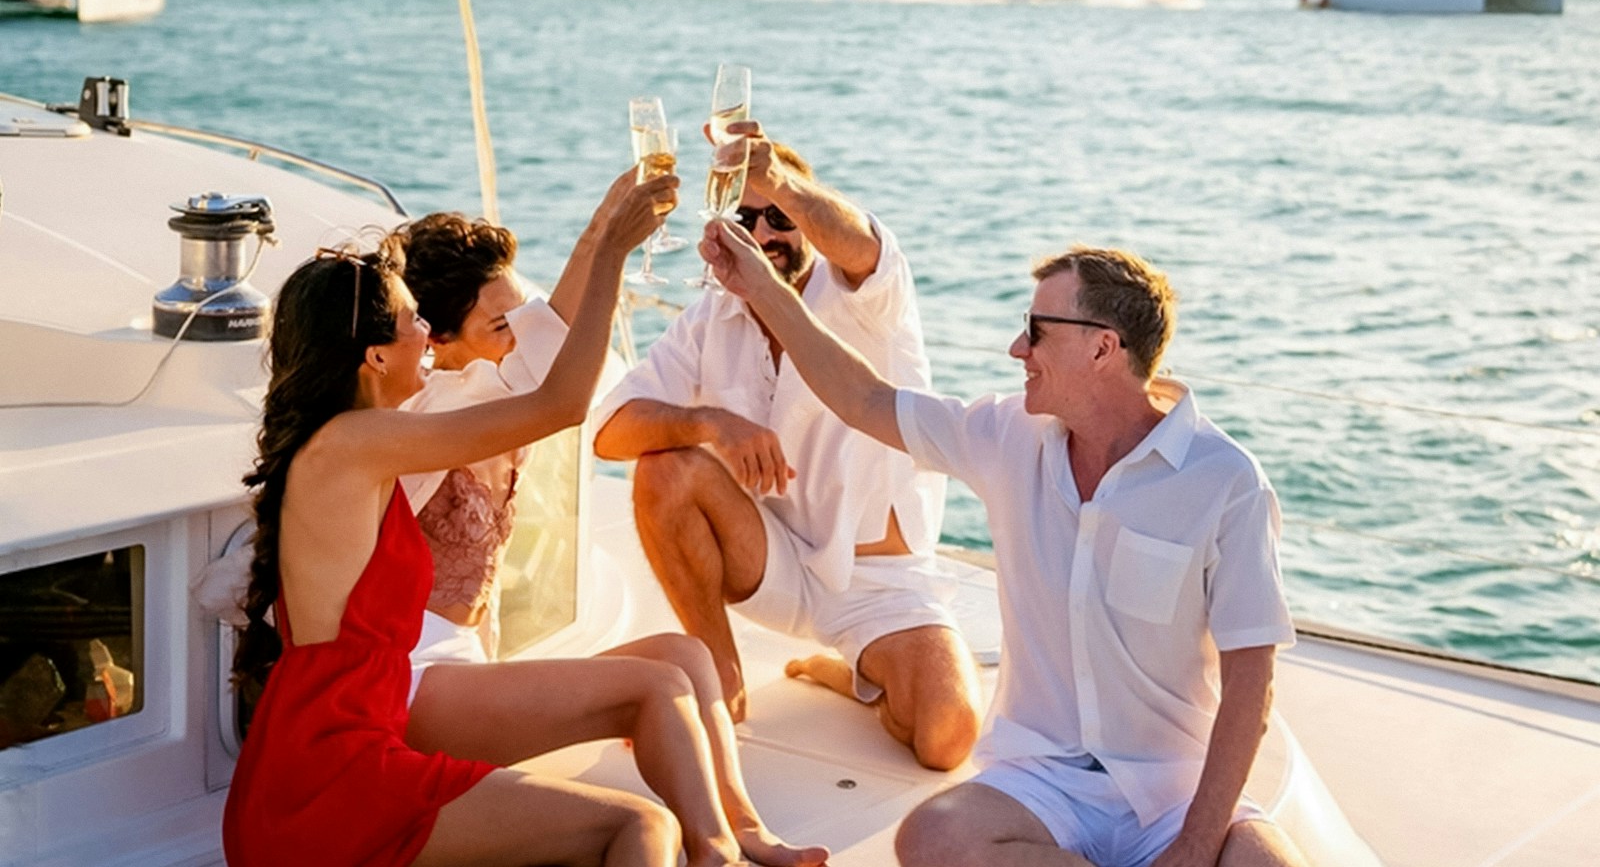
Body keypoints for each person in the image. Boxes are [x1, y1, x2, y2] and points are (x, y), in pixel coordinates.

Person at [699, 222, 1310, 867]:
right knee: (933, 837)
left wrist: (1193, 846)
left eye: (1038, 329)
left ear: (1104, 349)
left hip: (1173, 790)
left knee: (1268, 862)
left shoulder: (1223, 480)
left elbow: (1252, 683)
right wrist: (763, 289)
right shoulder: (1005, 435)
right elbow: (862, 397)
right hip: (1040, 784)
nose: (1018, 347)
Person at [222, 170, 761, 867]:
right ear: (375, 355)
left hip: (334, 769)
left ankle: (728, 843)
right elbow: (561, 402)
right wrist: (614, 257)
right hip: (332, 784)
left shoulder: (352, 444)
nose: (428, 335)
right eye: (413, 321)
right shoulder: (356, 445)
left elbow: (540, 367)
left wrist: (604, 233)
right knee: (642, 828)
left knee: (635, 818)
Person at [386, 192, 826, 867]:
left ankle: (742, 827)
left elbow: (550, 332)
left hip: (466, 668)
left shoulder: (490, 383)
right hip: (416, 678)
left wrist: (608, 220)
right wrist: (609, 246)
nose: (521, 336)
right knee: (657, 688)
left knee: (686, 657)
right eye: (501, 325)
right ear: (438, 340)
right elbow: (559, 368)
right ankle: (714, 855)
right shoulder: (439, 410)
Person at [593, 127, 981, 771]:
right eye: (746, 218)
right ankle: (722, 677)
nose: (765, 233)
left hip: (877, 584)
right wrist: (711, 423)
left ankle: (850, 675)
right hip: (771, 558)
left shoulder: (865, 295)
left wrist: (782, 183)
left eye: (781, 217)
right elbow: (610, 431)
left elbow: (858, 241)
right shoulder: (713, 316)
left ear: (806, 221)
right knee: (666, 467)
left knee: (946, 737)